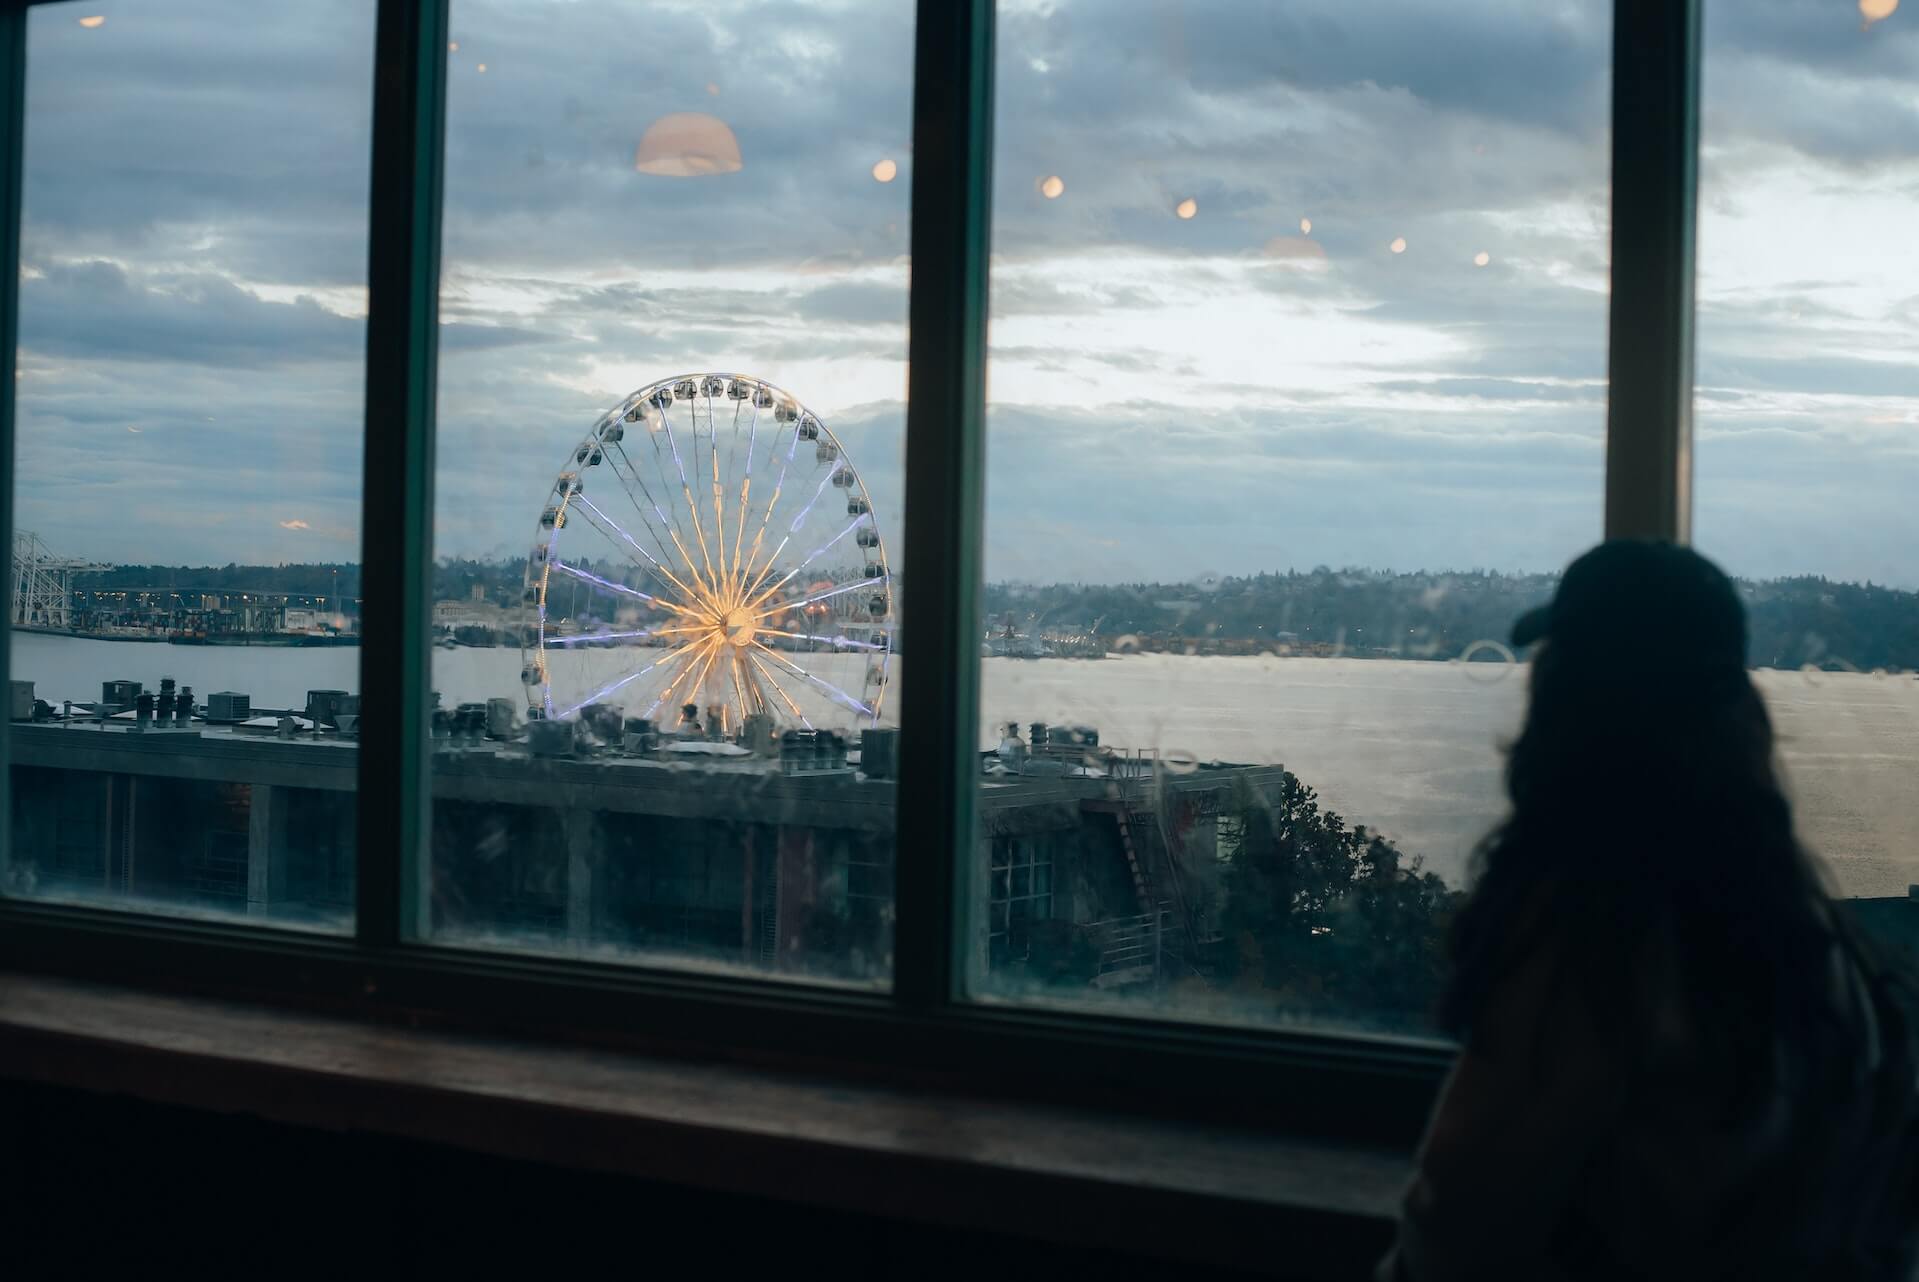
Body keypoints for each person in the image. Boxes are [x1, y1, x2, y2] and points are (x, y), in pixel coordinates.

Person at [1378, 540, 1919, 1281]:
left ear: (1565, 714)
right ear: (1737, 713)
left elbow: (1457, 1227)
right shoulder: (1812, 935)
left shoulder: (1596, 942)